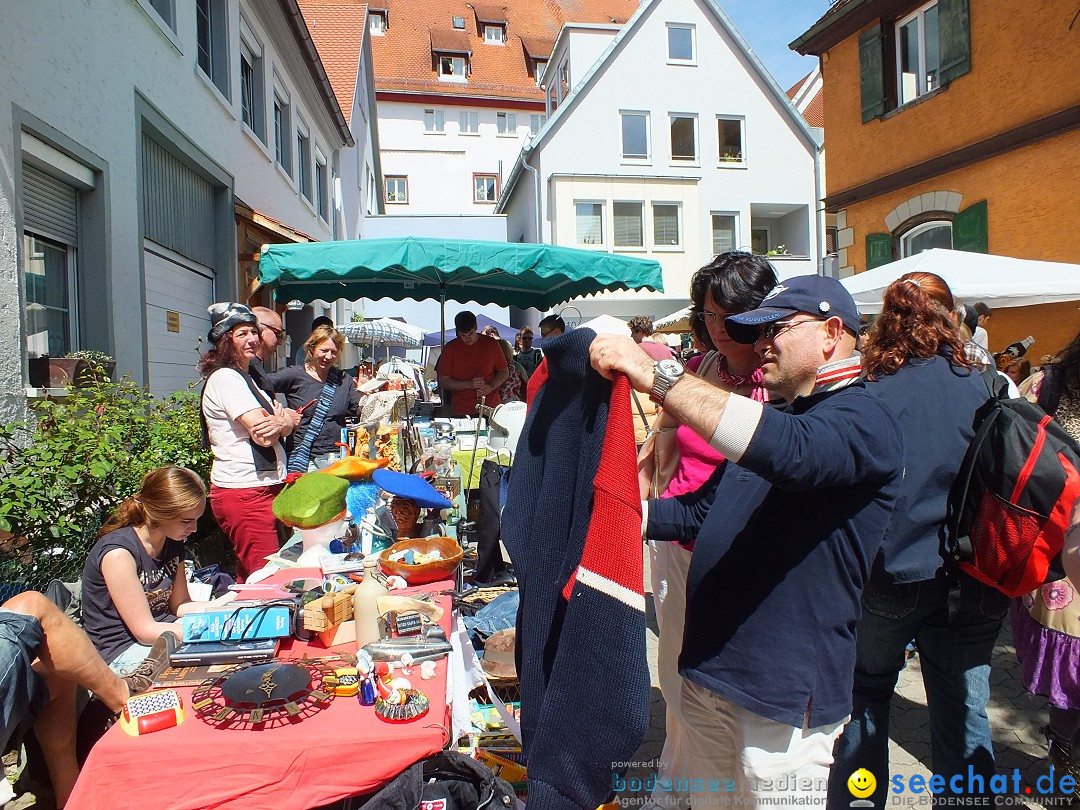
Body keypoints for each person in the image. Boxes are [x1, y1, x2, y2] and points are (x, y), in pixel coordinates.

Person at [591, 275, 903, 807]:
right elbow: (701, 512)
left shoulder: (863, 418)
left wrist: (656, 376)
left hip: (778, 697)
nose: (762, 345)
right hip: (711, 672)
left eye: (777, 329)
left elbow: (792, 453)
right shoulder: (786, 416)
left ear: (831, 333)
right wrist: (615, 517)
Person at [828, 272, 1004, 809]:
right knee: (964, 702)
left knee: (867, 696)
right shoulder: (989, 384)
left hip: (893, 570)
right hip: (975, 574)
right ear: (952, 317)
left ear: (889, 322)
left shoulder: (871, 392)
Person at [645, 252, 776, 808]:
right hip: (678, 538)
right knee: (675, 664)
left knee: (726, 681)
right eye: (709, 314)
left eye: (730, 314)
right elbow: (672, 416)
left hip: (739, 550)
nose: (719, 328)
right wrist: (663, 437)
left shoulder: (774, 378)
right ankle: (679, 775)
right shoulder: (701, 367)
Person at [1013, 325, 1080, 795]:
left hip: (1057, 548)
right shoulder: (1047, 384)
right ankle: (1063, 760)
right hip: (1064, 552)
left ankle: (1062, 759)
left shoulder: (1044, 383)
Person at [0, 590, 136, 808]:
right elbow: (144, 628)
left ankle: (72, 800)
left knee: (57, 671)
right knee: (33, 607)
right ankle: (128, 701)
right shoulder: (117, 554)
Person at [81, 466, 208, 672]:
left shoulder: (173, 543)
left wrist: (228, 609)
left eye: (196, 520)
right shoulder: (119, 554)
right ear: (160, 513)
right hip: (123, 651)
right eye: (186, 521)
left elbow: (180, 605)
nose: (194, 529)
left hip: (166, 634)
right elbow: (145, 630)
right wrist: (213, 631)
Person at [199, 302, 292, 581]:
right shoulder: (226, 378)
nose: (252, 338)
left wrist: (283, 422)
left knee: (252, 575)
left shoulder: (248, 376)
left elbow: (282, 421)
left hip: (261, 487)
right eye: (241, 333)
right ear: (225, 339)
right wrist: (284, 422)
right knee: (268, 579)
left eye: (254, 331)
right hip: (245, 492)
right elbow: (264, 433)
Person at [269, 325, 361, 472]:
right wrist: (281, 412)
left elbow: (359, 411)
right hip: (304, 460)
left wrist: (366, 392)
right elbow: (259, 388)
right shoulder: (295, 375)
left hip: (336, 458)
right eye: (324, 350)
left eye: (333, 352)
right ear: (312, 348)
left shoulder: (344, 380)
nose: (328, 357)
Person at [436, 311, 508, 417]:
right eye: (463, 335)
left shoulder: (491, 344)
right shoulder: (450, 348)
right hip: (462, 411)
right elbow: (443, 381)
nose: (467, 338)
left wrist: (490, 387)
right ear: (457, 332)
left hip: (490, 409)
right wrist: (469, 384)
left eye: (470, 333)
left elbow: (504, 372)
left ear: (476, 327)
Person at [249, 306, 286, 396]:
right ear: (260, 329)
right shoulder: (245, 367)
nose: (280, 342)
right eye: (278, 334)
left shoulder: (254, 366)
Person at [496, 339, 528, 403]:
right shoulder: (516, 367)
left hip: (500, 406)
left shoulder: (495, 369)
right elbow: (527, 383)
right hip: (517, 404)